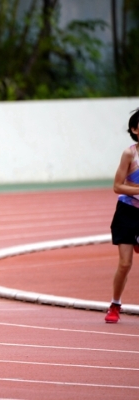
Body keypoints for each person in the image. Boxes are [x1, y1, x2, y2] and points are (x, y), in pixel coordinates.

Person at [105, 108, 139, 324]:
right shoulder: (130, 154)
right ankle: (115, 304)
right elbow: (117, 186)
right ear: (135, 130)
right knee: (125, 264)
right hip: (127, 212)